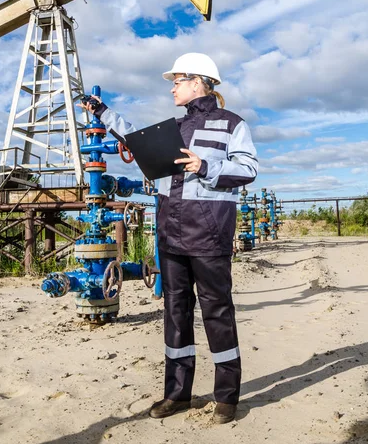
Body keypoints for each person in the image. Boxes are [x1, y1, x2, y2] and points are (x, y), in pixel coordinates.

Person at [82, 53, 258, 424]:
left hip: (209, 235)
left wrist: (204, 165)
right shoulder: (174, 128)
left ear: (198, 82)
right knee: (175, 314)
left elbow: (248, 168)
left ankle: (227, 397)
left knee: (217, 312)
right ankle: (177, 394)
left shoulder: (231, 125)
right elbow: (132, 136)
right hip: (171, 236)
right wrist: (102, 112)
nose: (173, 87)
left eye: (178, 81)